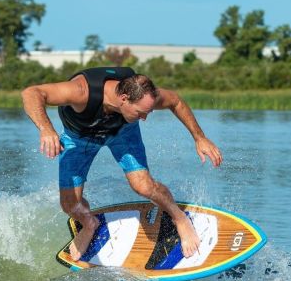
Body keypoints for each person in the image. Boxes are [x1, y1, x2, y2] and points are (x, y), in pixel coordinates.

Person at [22, 67, 223, 261]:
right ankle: (89, 223)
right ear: (124, 98)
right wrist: (46, 129)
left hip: (122, 132)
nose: (144, 119)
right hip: (79, 138)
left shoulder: (141, 91)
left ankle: (179, 218)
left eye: (148, 112)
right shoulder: (82, 92)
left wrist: (200, 138)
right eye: (140, 112)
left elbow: (176, 101)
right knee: (70, 205)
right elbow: (32, 93)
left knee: (143, 186)